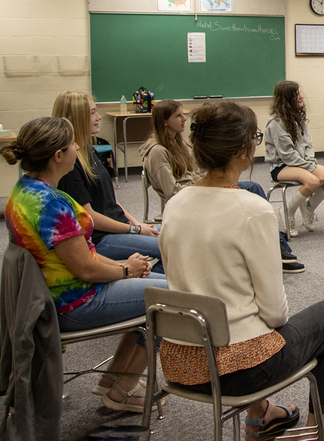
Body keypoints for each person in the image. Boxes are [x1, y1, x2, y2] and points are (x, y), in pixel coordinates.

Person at [158, 102, 324, 441]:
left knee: (243, 316)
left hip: (181, 363)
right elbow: (276, 314)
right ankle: (315, 431)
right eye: (255, 138)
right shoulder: (253, 210)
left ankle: (262, 415)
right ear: (242, 152)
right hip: (240, 372)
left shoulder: (175, 204)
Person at [2, 116, 167, 412]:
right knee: (171, 297)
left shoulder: (23, 192)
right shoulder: (52, 204)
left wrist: (127, 269)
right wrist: (126, 270)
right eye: (73, 144)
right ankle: (121, 390)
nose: (78, 147)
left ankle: (115, 380)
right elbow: (86, 269)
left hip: (50, 296)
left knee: (161, 285)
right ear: (58, 156)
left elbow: (81, 255)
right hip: (73, 302)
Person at [139, 100, 304, 274]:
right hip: (193, 194)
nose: (183, 119)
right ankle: (275, 247)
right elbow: (172, 192)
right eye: (178, 116)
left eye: (183, 115)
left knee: (252, 187)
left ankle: (277, 246)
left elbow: (196, 171)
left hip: (198, 188)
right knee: (251, 193)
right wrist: (204, 184)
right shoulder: (158, 151)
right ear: (164, 121)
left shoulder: (178, 143)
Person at [51, 91, 163, 271]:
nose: (98, 116)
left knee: (170, 240)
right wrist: (134, 230)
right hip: (101, 238)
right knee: (166, 247)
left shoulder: (90, 150)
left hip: (119, 229)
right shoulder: (70, 165)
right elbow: (89, 216)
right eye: (92, 112)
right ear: (76, 118)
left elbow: (112, 201)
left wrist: (136, 224)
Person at [264, 80, 324, 237]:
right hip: (282, 166)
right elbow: (287, 155)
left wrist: (310, 163)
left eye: (300, 93)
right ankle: (286, 212)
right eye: (297, 94)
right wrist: (310, 168)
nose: (301, 97)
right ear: (286, 99)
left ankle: (308, 210)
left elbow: (307, 144)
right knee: (314, 181)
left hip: (301, 163)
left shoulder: (299, 117)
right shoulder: (276, 122)